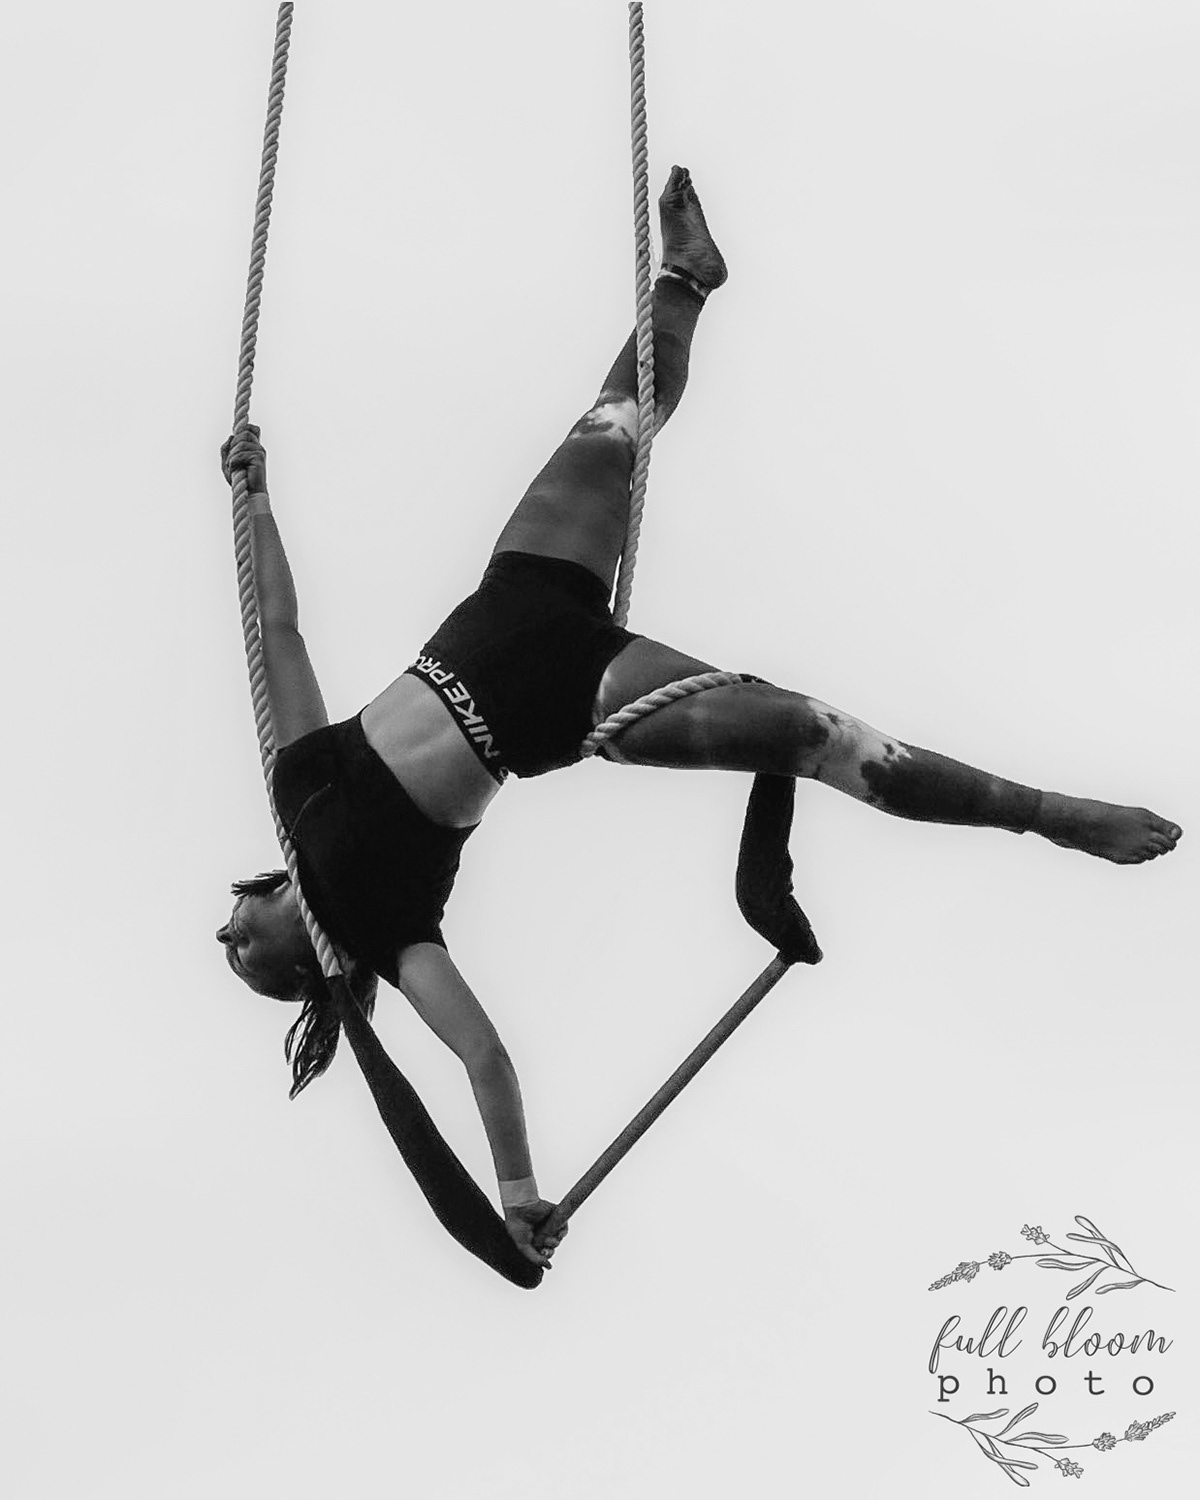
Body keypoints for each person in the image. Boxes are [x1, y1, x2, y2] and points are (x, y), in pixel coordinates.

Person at [216, 167, 1181, 1269]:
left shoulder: (297, 788)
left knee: (617, 419)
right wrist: (517, 1197)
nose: (228, 938)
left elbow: (278, 630)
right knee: (814, 736)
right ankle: (1049, 813)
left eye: (227, 932)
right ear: (309, 970)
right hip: (569, 701)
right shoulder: (391, 937)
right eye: (247, 966)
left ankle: (685, 280)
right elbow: (485, 1060)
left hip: (516, 597)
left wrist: (254, 495)